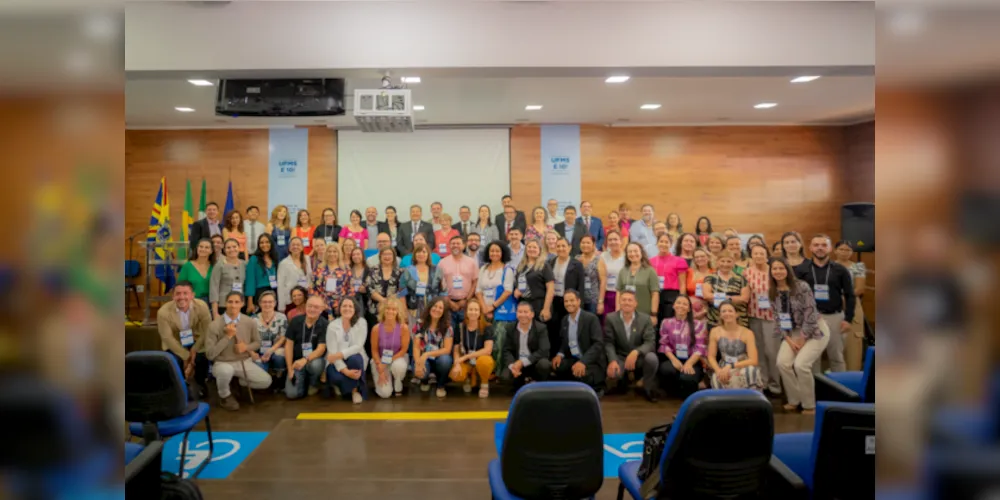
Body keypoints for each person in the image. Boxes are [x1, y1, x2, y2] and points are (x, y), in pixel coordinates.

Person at [772, 257, 830, 414]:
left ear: (787, 270)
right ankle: (794, 399)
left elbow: (810, 314)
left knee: (801, 365)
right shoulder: (772, 291)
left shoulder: (801, 286)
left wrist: (803, 338)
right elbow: (778, 319)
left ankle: (809, 405)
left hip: (815, 330)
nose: (778, 271)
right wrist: (789, 340)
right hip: (792, 332)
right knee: (782, 363)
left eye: (781, 268)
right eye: (774, 269)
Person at [793, 234, 855, 373]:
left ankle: (841, 392)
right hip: (810, 319)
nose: (820, 248)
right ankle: (816, 391)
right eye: (816, 245)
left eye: (824, 245)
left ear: (830, 248)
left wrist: (848, 319)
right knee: (813, 358)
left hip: (834, 317)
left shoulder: (840, 270)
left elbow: (850, 295)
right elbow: (795, 296)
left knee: (836, 357)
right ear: (810, 248)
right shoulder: (801, 269)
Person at [205, 292, 272, 410]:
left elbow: (257, 343)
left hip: (244, 361)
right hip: (222, 362)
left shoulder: (249, 322)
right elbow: (210, 355)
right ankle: (225, 395)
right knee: (225, 371)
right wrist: (227, 337)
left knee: (266, 381)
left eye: (237, 302)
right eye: (230, 302)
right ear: (225, 303)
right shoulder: (214, 325)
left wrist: (246, 348)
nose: (233, 305)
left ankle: (238, 383)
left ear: (242, 304)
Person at [156, 281, 211, 398]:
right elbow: (167, 337)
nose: (181, 297)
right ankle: (181, 386)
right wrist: (186, 356)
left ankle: (201, 383)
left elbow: (207, 331)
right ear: (173, 296)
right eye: (178, 293)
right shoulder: (163, 312)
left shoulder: (202, 306)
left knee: (203, 357)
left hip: (196, 338)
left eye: (185, 293)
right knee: (174, 360)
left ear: (192, 295)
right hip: (175, 341)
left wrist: (194, 350)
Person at [604, 290, 659, 402]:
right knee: (615, 373)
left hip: (638, 357)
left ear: (635, 303)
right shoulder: (610, 318)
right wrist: (613, 360)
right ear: (619, 302)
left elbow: (650, 342)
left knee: (652, 359)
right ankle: (622, 383)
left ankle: (647, 387)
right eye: (624, 300)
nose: (627, 303)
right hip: (620, 356)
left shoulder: (645, 319)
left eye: (630, 300)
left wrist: (636, 352)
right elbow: (608, 342)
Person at [551, 290, 606, 393]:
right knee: (558, 367)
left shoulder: (591, 318)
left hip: (591, 362)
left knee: (582, 374)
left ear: (579, 301)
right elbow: (565, 342)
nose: (569, 303)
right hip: (574, 359)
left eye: (572, 300)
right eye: (566, 301)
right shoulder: (564, 320)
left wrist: (583, 362)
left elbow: (598, 344)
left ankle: (598, 387)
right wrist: (560, 354)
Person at [745, 244, 781, 395]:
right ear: (751, 255)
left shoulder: (774, 271)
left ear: (767, 255)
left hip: (772, 317)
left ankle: (776, 385)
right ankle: (763, 382)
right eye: (755, 253)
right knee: (758, 351)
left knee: (772, 351)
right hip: (754, 315)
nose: (758, 256)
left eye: (761, 253)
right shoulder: (746, 273)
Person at [657, 295, 706, 398]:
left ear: (689, 309)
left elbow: (700, 347)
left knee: (688, 378)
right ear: (674, 305)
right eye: (678, 303)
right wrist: (674, 360)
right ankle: (673, 392)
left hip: (692, 359)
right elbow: (664, 344)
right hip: (673, 357)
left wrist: (689, 363)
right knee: (666, 370)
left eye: (685, 304)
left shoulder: (698, 324)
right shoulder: (666, 322)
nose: (681, 306)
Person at [706, 301, 763, 391]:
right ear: (720, 315)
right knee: (716, 377)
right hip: (724, 365)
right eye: (724, 311)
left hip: (742, 364)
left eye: (730, 311)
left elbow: (754, 360)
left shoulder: (747, 333)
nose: (727, 313)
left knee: (751, 372)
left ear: (736, 314)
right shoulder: (715, 331)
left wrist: (731, 366)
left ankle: (750, 402)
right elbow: (711, 356)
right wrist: (718, 370)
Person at [284, 296, 330, 400]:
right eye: (310, 306)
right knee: (292, 394)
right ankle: (302, 382)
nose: (312, 309)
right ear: (305, 306)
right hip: (297, 363)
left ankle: (313, 383)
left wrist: (305, 360)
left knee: (316, 365)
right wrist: (290, 368)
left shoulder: (325, 324)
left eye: (316, 307)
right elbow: (288, 345)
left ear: (322, 309)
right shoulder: (295, 321)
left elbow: (321, 349)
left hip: (312, 360)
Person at [325, 298, 369, 404]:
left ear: (355, 309)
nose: (347, 308)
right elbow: (332, 352)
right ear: (339, 309)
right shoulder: (332, 326)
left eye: (350, 306)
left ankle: (354, 391)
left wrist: (339, 355)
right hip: (336, 363)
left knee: (355, 358)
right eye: (344, 306)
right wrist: (346, 372)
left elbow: (358, 346)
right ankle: (344, 386)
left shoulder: (361, 322)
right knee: (337, 376)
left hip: (354, 360)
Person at [450, 300, 497, 397]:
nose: (473, 312)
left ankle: (484, 383)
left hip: (480, 359)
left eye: (476, 310)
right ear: (466, 312)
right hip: (466, 361)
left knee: (485, 361)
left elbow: (488, 350)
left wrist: (465, 356)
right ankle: (469, 377)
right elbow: (456, 349)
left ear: (480, 313)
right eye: (470, 309)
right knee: (456, 374)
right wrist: (457, 363)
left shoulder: (487, 327)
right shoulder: (460, 327)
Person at [500, 301, 551, 389]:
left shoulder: (541, 328)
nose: (522, 315)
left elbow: (544, 350)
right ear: (516, 314)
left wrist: (523, 362)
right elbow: (506, 350)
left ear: (532, 314)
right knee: (505, 377)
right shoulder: (510, 328)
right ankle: (521, 382)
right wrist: (513, 366)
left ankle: (537, 383)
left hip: (533, 363)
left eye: (525, 312)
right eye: (520, 312)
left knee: (544, 364)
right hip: (517, 364)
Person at [834, 240, 868, 371]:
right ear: (835, 251)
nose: (844, 252)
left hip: (852, 304)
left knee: (854, 341)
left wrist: (843, 296)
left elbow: (859, 289)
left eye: (847, 250)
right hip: (833, 306)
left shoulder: (858, 266)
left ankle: (853, 374)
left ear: (852, 252)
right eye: (841, 249)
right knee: (835, 341)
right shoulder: (829, 265)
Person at [411, 297, 454, 398]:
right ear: (430, 307)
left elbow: (447, 349)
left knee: (446, 360)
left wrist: (427, 354)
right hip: (423, 358)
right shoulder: (420, 324)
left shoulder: (448, 327)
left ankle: (441, 385)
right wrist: (418, 362)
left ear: (443, 312)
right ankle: (425, 381)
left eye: (440, 308)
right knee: (420, 370)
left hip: (438, 358)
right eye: (435, 306)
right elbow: (416, 347)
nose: (437, 309)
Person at [548, 238, 584, 350]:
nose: (560, 248)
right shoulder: (551, 262)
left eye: (563, 246)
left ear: (569, 247)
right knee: (554, 328)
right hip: (554, 301)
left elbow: (581, 286)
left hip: (570, 302)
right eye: (558, 246)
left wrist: (579, 305)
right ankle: (555, 354)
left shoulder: (576, 264)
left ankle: (567, 354)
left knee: (568, 328)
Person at [370, 297, 411, 398]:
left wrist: (386, 363)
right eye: (388, 308)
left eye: (394, 309)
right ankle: (387, 380)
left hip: (397, 357)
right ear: (383, 310)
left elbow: (404, 350)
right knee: (384, 394)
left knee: (398, 367)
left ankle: (397, 380)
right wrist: (380, 368)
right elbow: (374, 351)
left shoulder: (403, 328)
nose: (390, 311)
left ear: (398, 312)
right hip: (379, 360)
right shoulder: (376, 329)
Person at [438, 235, 480, 328]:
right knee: (449, 332)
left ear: (464, 246)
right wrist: (448, 301)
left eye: (458, 243)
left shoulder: (471, 262)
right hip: (448, 303)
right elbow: (439, 283)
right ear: (449, 246)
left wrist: (466, 300)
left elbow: (475, 282)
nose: (455, 245)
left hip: (466, 303)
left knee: (466, 331)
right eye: (453, 243)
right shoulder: (442, 263)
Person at [649, 233, 689, 325]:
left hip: (671, 296)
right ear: (657, 243)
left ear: (671, 244)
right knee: (654, 323)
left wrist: (682, 299)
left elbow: (682, 283)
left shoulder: (679, 261)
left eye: (666, 242)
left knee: (669, 323)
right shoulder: (650, 261)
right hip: (654, 294)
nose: (663, 244)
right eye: (661, 241)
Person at [616, 243, 659, 322]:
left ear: (641, 252)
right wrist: (617, 310)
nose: (633, 254)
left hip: (644, 314)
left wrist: (654, 314)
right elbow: (619, 292)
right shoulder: (623, 271)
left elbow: (655, 294)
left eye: (635, 251)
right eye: (630, 252)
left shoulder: (650, 271)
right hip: (625, 314)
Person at [514, 239, 554, 322]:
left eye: (534, 247)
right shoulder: (521, 266)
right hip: (524, 304)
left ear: (539, 250)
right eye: (529, 247)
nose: (531, 249)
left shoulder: (544, 265)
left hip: (539, 305)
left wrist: (546, 309)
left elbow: (551, 289)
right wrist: (516, 289)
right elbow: (518, 282)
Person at [401, 243, 442, 324]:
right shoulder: (408, 270)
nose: (421, 254)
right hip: (413, 310)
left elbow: (443, 291)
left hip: (433, 310)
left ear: (428, 254)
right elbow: (402, 293)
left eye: (424, 252)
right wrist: (404, 311)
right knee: (414, 334)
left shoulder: (436, 270)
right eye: (418, 252)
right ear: (414, 254)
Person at [253, 291, 287, 377]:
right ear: (260, 303)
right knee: (260, 372)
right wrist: (253, 353)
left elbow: (283, 337)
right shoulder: (253, 319)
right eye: (264, 302)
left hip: (276, 350)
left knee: (279, 358)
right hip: (259, 352)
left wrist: (270, 350)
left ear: (275, 303)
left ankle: (278, 379)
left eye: (270, 302)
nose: (267, 304)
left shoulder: (281, 317)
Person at [209, 238, 246, 318]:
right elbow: (214, 288)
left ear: (239, 248)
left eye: (234, 246)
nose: (232, 249)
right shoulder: (219, 265)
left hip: (241, 304)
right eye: (228, 248)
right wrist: (215, 313)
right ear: (224, 250)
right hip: (224, 304)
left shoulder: (245, 264)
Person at [365, 247, 405, 321]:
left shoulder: (400, 272)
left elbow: (404, 290)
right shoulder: (373, 270)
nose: (387, 257)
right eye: (384, 254)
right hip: (374, 310)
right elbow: (368, 287)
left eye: (389, 254)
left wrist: (390, 300)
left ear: (394, 256)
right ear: (380, 257)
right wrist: (383, 300)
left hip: (393, 310)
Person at [312, 242, 351, 318]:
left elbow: (350, 288)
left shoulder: (345, 268)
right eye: (329, 251)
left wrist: (343, 304)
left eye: (334, 251)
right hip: (322, 306)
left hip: (340, 306)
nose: (332, 254)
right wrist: (320, 303)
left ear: (339, 253)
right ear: (326, 253)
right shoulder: (319, 268)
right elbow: (312, 287)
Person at [245, 234, 279, 314]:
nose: (264, 245)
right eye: (261, 243)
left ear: (271, 243)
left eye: (267, 242)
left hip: (274, 292)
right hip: (260, 294)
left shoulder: (275, 259)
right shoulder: (254, 259)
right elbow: (250, 282)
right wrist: (250, 303)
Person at [277, 237, 311, 312]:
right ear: (289, 248)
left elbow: (310, 279)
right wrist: (281, 306)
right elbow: (280, 286)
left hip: (305, 300)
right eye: (293, 245)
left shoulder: (307, 260)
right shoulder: (284, 263)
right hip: (290, 301)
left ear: (302, 247)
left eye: (298, 245)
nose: (295, 247)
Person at [577, 235, 607, 315]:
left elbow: (603, 281)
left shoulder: (598, 260)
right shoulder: (577, 259)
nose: (585, 245)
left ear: (593, 245)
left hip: (593, 300)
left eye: (588, 243)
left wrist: (600, 302)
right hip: (579, 300)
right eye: (583, 243)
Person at [178, 238, 215, 303]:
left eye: (207, 247)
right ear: (197, 248)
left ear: (211, 251)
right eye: (201, 246)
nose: (203, 249)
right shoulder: (187, 266)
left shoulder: (214, 267)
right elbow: (180, 286)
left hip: (211, 302)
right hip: (191, 301)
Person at [601, 230, 626, 318]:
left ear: (621, 241)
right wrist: (600, 301)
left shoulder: (627, 257)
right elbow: (602, 279)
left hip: (624, 295)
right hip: (608, 295)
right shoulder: (603, 256)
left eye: (615, 239)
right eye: (610, 240)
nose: (613, 242)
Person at [686, 248, 714, 322]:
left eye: (702, 256)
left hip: (709, 308)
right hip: (690, 309)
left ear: (708, 257)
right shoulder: (689, 272)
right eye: (697, 257)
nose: (699, 259)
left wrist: (705, 310)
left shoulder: (714, 273)